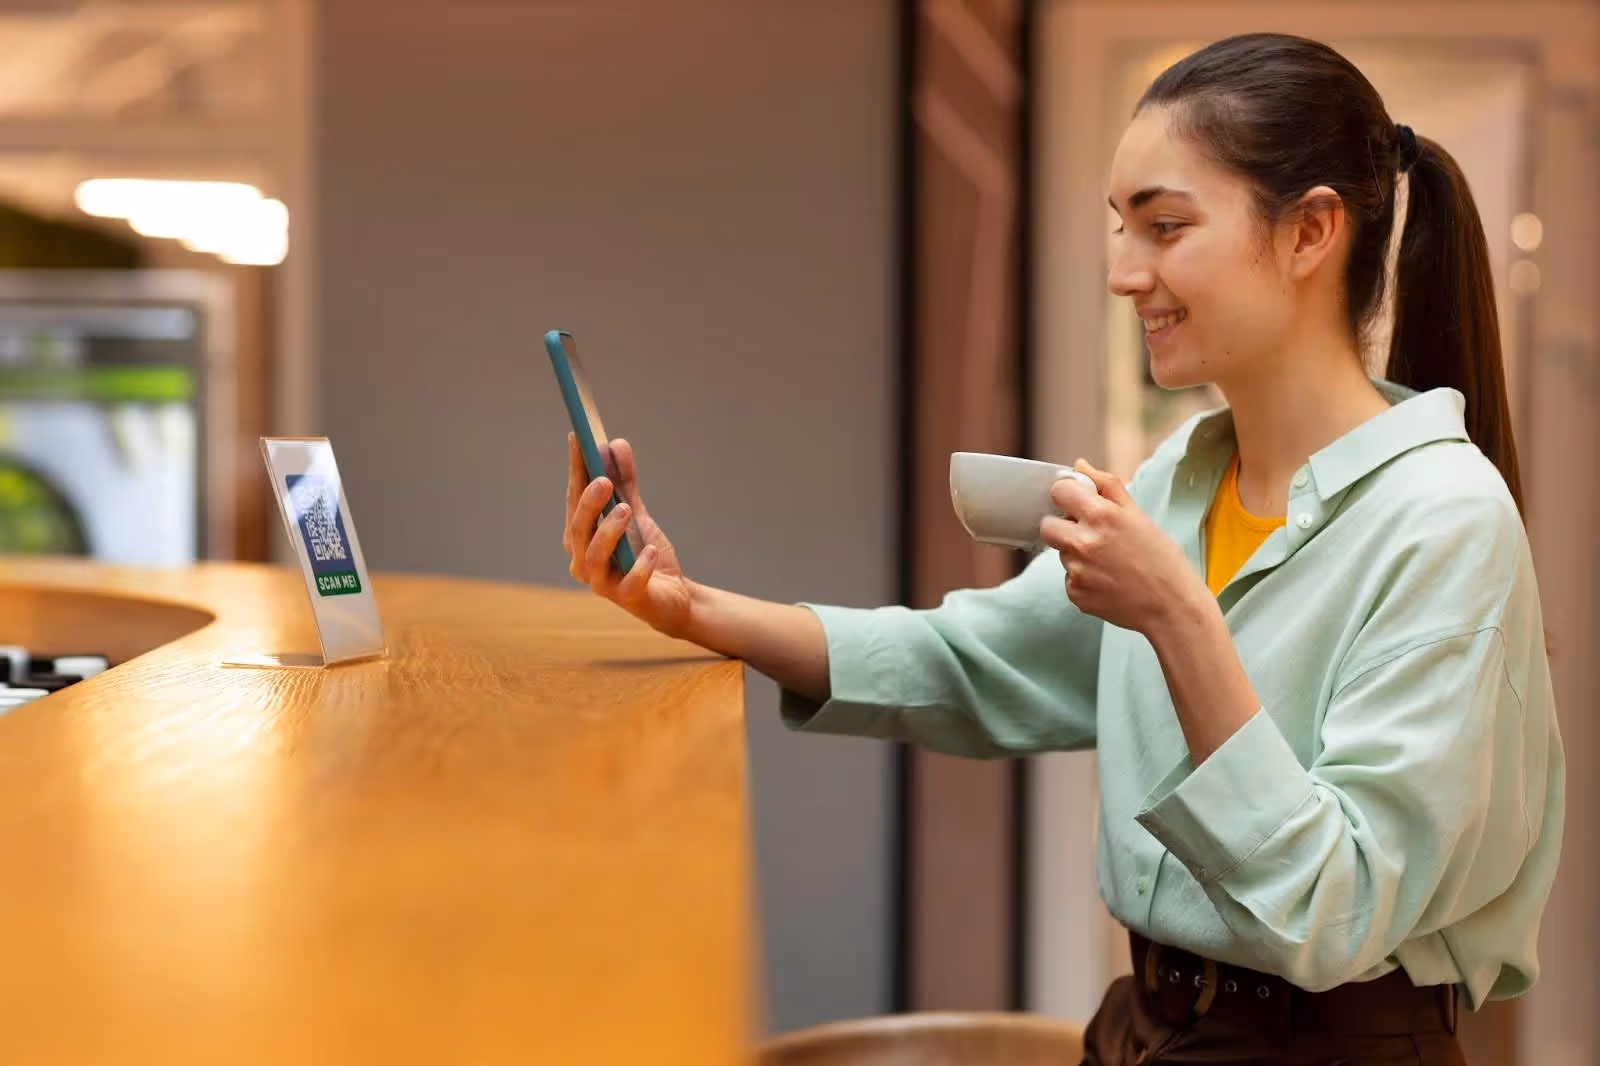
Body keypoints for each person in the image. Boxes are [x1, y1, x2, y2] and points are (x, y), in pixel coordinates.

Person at [561, 32, 1563, 1066]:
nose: (1124, 273)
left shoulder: (1444, 521)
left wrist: (1175, 615)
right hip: (1146, 1029)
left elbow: (1333, 907)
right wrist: (689, 607)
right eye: (1118, 228)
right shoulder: (1184, 477)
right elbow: (974, 660)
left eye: (1165, 226)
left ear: (1310, 231)